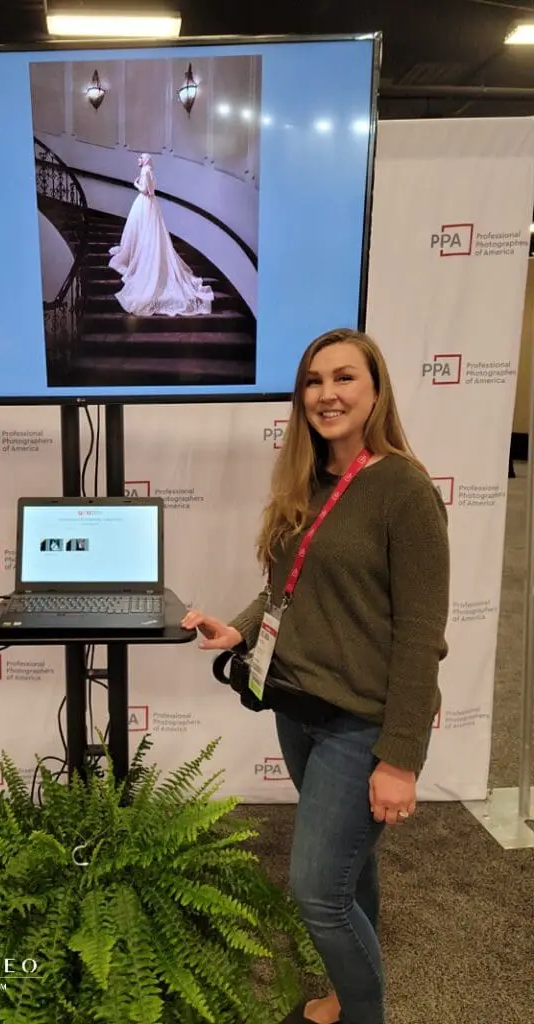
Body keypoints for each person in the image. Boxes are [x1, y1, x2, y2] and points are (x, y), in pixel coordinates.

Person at [181, 328, 450, 1024]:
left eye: (344, 378)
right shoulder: (307, 479)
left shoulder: (404, 489)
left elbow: (421, 637)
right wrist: (240, 629)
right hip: (298, 708)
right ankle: (342, 993)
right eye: (313, 381)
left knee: (316, 893)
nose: (327, 394)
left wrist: (401, 758)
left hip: (361, 724)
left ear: (376, 391)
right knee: (349, 869)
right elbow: (284, 587)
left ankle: (364, 1015)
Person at [108, 153, 214, 317]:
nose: (138, 160)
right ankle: (140, 251)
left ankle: (141, 256)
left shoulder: (146, 171)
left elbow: (148, 191)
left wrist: (136, 184)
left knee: (144, 231)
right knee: (147, 232)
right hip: (149, 205)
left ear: (145, 160)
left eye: (141, 158)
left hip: (146, 202)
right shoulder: (148, 170)